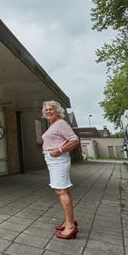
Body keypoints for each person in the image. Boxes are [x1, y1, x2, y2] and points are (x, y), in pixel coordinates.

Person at [41, 100, 79, 239]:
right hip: (53, 160)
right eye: (46, 110)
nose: (48, 111)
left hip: (58, 160)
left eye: (51, 109)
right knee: (63, 189)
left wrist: (59, 150)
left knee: (61, 191)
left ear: (57, 110)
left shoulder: (61, 123)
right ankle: (68, 220)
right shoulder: (53, 125)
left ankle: (70, 226)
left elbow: (74, 140)